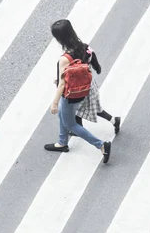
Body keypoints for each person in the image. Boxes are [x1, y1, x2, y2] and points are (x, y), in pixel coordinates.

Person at [44, 19, 111, 163]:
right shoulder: (84, 47)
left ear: (58, 38)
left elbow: (62, 84)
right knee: (64, 114)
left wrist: (54, 103)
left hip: (69, 94)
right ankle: (62, 142)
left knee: (71, 124)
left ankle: (101, 145)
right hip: (82, 90)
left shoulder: (65, 59)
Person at [70, 44, 121, 136]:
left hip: (83, 89)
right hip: (90, 85)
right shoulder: (86, 49)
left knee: (78, 108)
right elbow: (98, 69)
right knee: (87, 108)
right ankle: (114, 120)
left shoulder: (75, 61)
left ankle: (79, 129)